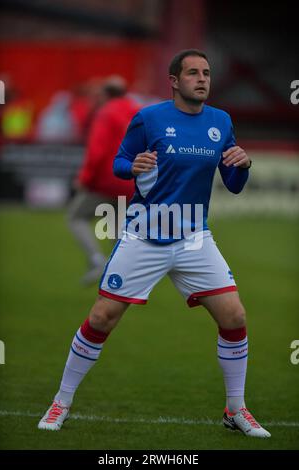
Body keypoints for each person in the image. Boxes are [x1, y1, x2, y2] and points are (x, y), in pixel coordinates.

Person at [38, 49, 270, 438]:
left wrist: (243, 166)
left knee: (235, 317)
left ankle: (236, 410)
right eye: (193, 73)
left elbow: (232, 185)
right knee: (101, 318)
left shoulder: (220, 122)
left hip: (195, 238)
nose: (202, 78)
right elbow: (119, 162)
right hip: (144, 235)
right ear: (175, 81)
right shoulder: (149, 118)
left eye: (207, 73)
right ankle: (61, 401)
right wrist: (133, 167)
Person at [67, 76, 139, 285]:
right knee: (115, 226)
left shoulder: (106, 112)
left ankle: (96, 261)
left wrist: (84, 178)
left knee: (76, 217)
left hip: (106, 180)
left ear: (105, 94)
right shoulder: (136, 110)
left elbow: (97, 151)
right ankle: (122, 278)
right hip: (130, 180)